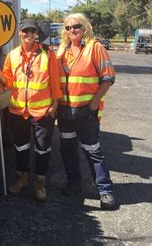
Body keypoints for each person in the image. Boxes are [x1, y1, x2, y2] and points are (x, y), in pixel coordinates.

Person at [0, 19, 62, 202]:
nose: (29, 34)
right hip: (18, 111)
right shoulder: (13, 55)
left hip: (43, 111)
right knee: (21, 147)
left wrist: (55, 105)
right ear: (19, 33)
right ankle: (21, 180)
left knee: (43, 149)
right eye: (25, 31)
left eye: (32, 31)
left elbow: (55, 81)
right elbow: (9, 82)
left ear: (37, 33)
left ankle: (40, 183)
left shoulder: (48, 54)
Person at [56, 13, 117, 210]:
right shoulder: (62, 50)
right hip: (65, 113)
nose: (72, 30)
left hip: (85, 112)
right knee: (68, 149)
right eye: (68, 27)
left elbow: (108, 78)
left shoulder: (95, 47)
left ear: (85, 28)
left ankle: (105, 191)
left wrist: (94, 103)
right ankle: (74, 184)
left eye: (76, 26)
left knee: (93, 151)